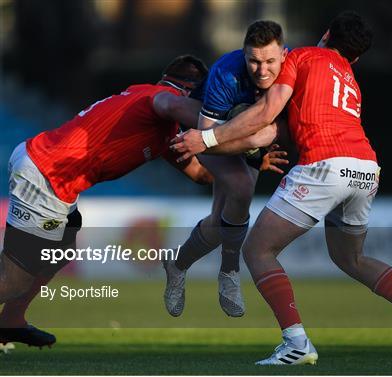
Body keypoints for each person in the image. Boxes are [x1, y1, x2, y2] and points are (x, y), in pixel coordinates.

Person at [173, 11, 392, 365]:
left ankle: (297, 343)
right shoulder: (350, 78)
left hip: (326, 166)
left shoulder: (303, 56)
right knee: (351, 258)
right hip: (367, 169)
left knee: (258, 250)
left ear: (324, 35)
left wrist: (208, 138)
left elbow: (266, 112)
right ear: (354, 56)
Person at [0, 55, 283, 348]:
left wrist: (249, 158)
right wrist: (236, 121)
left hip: (50, 173)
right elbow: (172, 105)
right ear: (189, 93)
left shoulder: (163, 129)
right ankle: (9, 319)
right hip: (46, 174)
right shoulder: (159, 98)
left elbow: (202, 175)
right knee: (14, 277)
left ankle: (10, 322)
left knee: (62, 246)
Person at [162, 20, 288, 318]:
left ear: (283, 54)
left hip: (242, 138)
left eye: (270, 61)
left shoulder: (295, 65)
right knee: (242, 188)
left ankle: (177, 264)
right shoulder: (225, 72)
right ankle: (229, 271)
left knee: (221, 222)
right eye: (254, 61)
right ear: (243, 54)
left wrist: (257, 148)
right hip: (207, 135)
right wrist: (255, 147)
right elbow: (207, 138)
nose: (262, 70)